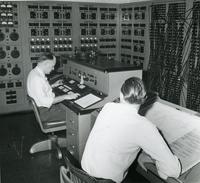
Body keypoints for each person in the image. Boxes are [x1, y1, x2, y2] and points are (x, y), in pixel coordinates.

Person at [81, 77, 181, 183]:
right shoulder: (144, 126)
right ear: (144, 99)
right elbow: (172, 170)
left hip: (81, 176)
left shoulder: (108, 107)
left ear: (120, 94)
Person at [27, 52, 79, 122]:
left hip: (45, 109)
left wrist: (53, 85)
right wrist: (65, 96)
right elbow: (45, 101)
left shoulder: (34, 72)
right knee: (76, 116)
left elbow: (41, 89)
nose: (53, 68)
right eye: (52, 66)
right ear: (46, 63)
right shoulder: (37, 78)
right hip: (46, 112)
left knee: (69, 108)